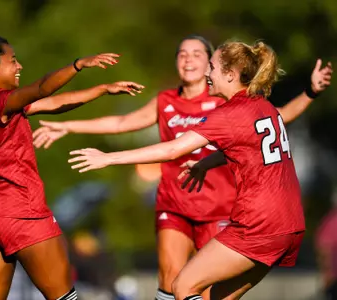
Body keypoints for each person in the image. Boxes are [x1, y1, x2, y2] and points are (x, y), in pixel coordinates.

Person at [32, 35, 332, 299]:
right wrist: (207, 162)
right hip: (289, 224)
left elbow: (173, 148)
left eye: (210, 65)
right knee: (217, 297)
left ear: (229, 73)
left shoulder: (228, 112)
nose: (207, 73)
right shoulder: (260, 104)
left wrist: (108, 158)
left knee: (183, 286)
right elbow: (249, 147)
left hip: (255, 223)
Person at [0, 33, 144, 300]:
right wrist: (78, 64)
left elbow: (55, 102)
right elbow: (43, 89)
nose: (19, 66)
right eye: (13, 60)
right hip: (20, 213)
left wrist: (102, 89)